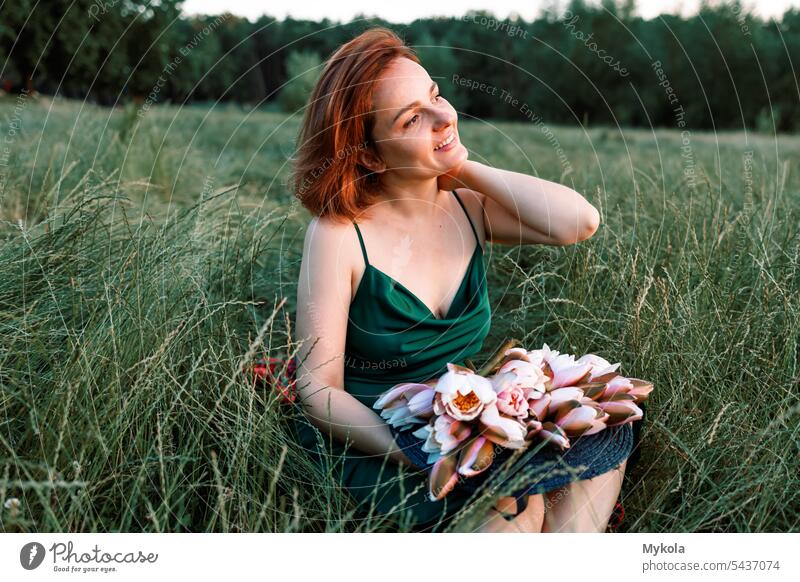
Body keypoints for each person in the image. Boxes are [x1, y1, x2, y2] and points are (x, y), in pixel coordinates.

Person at [289, 26, 632, 533]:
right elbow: (317, 386)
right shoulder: (339, 234)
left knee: (598, 433)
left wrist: (461, 164)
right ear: (369, 155)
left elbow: (579, 222)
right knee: (518, 508)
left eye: (435, 96)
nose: (444, 116)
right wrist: (416, 454)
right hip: (378, 439)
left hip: (466, 416)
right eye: (412, 119)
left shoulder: (469, 210)